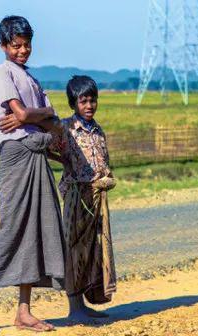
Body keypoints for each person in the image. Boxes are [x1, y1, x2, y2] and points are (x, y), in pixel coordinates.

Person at [0, 15, 66, 335]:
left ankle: (24, 312)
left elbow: (54, 125)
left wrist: (38, 115)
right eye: (16, 45)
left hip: (38, 156)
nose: (23, 51)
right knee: (12, 231)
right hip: (16, 157)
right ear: (2, 46)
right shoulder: (0, 74)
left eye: (27, 45)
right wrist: (39, 115)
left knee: (37, 232)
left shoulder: (32, 80)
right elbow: (24, 115)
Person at [48, 75, 117, 321]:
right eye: (83, 101)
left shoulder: (98, 131)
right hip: (77, 197)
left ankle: (86, 302)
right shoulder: (66, 129)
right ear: (73, 103)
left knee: (93, 249)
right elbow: (48, 148)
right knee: (74, 248)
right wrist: (65, 160)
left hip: (97, 198)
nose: (89, 106)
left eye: (93, 100)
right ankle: (74, 307)